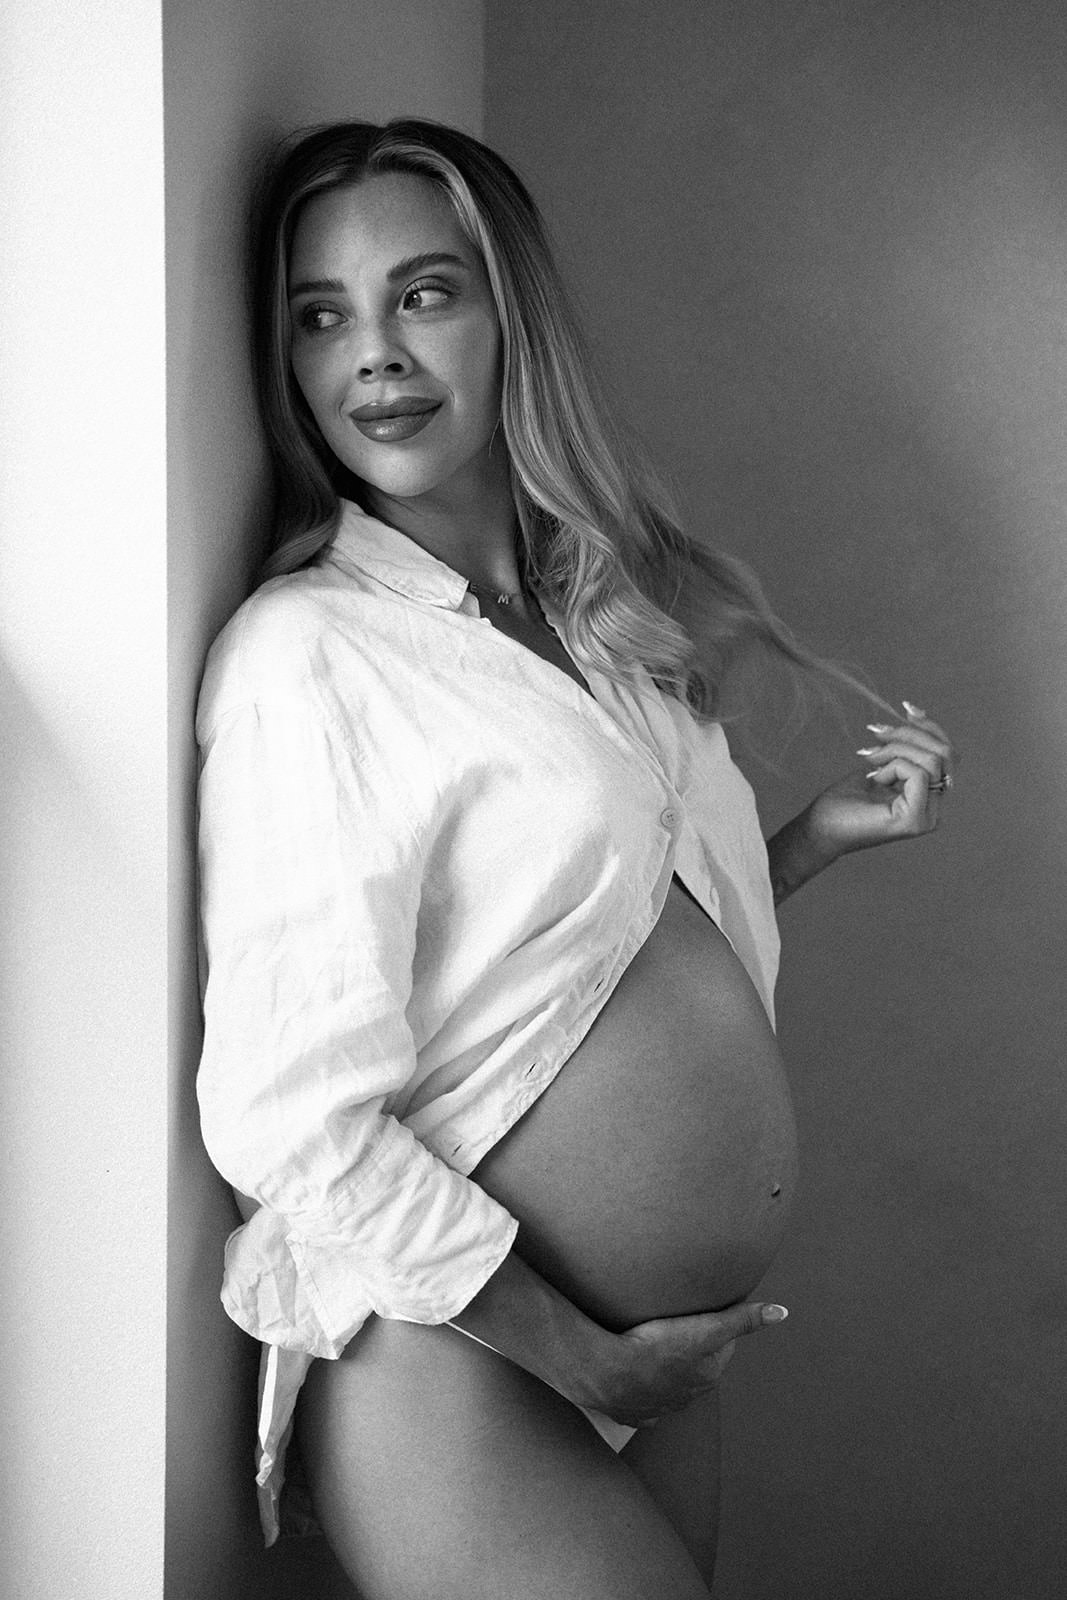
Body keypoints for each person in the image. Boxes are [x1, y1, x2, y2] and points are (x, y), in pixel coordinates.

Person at [195, 118, 955, 1599]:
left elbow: (578, 953)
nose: (375, 356)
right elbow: (284, 1113)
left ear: (512, 316)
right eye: (321, 315)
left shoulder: (595, 620)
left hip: (644, 1366)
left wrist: (807, 843)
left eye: (424, 294)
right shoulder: (311, 655)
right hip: (467, 1354)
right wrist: (578, 1352)